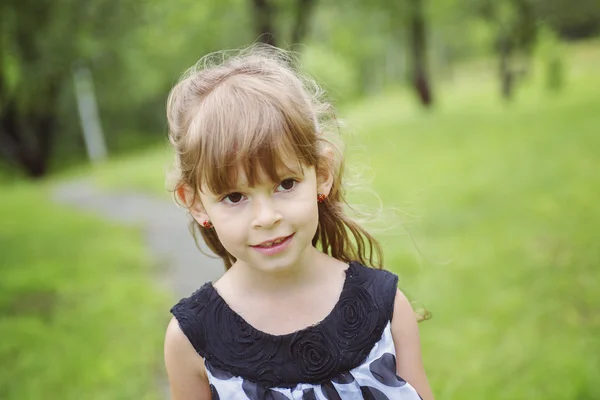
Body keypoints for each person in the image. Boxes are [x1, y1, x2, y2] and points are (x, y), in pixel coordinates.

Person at [163, 44, 434, 400]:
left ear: (321, 174)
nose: (267, 217)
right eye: (234, 197)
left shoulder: (383, 308)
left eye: (285, 184)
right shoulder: (191, 339)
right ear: (196, 202)